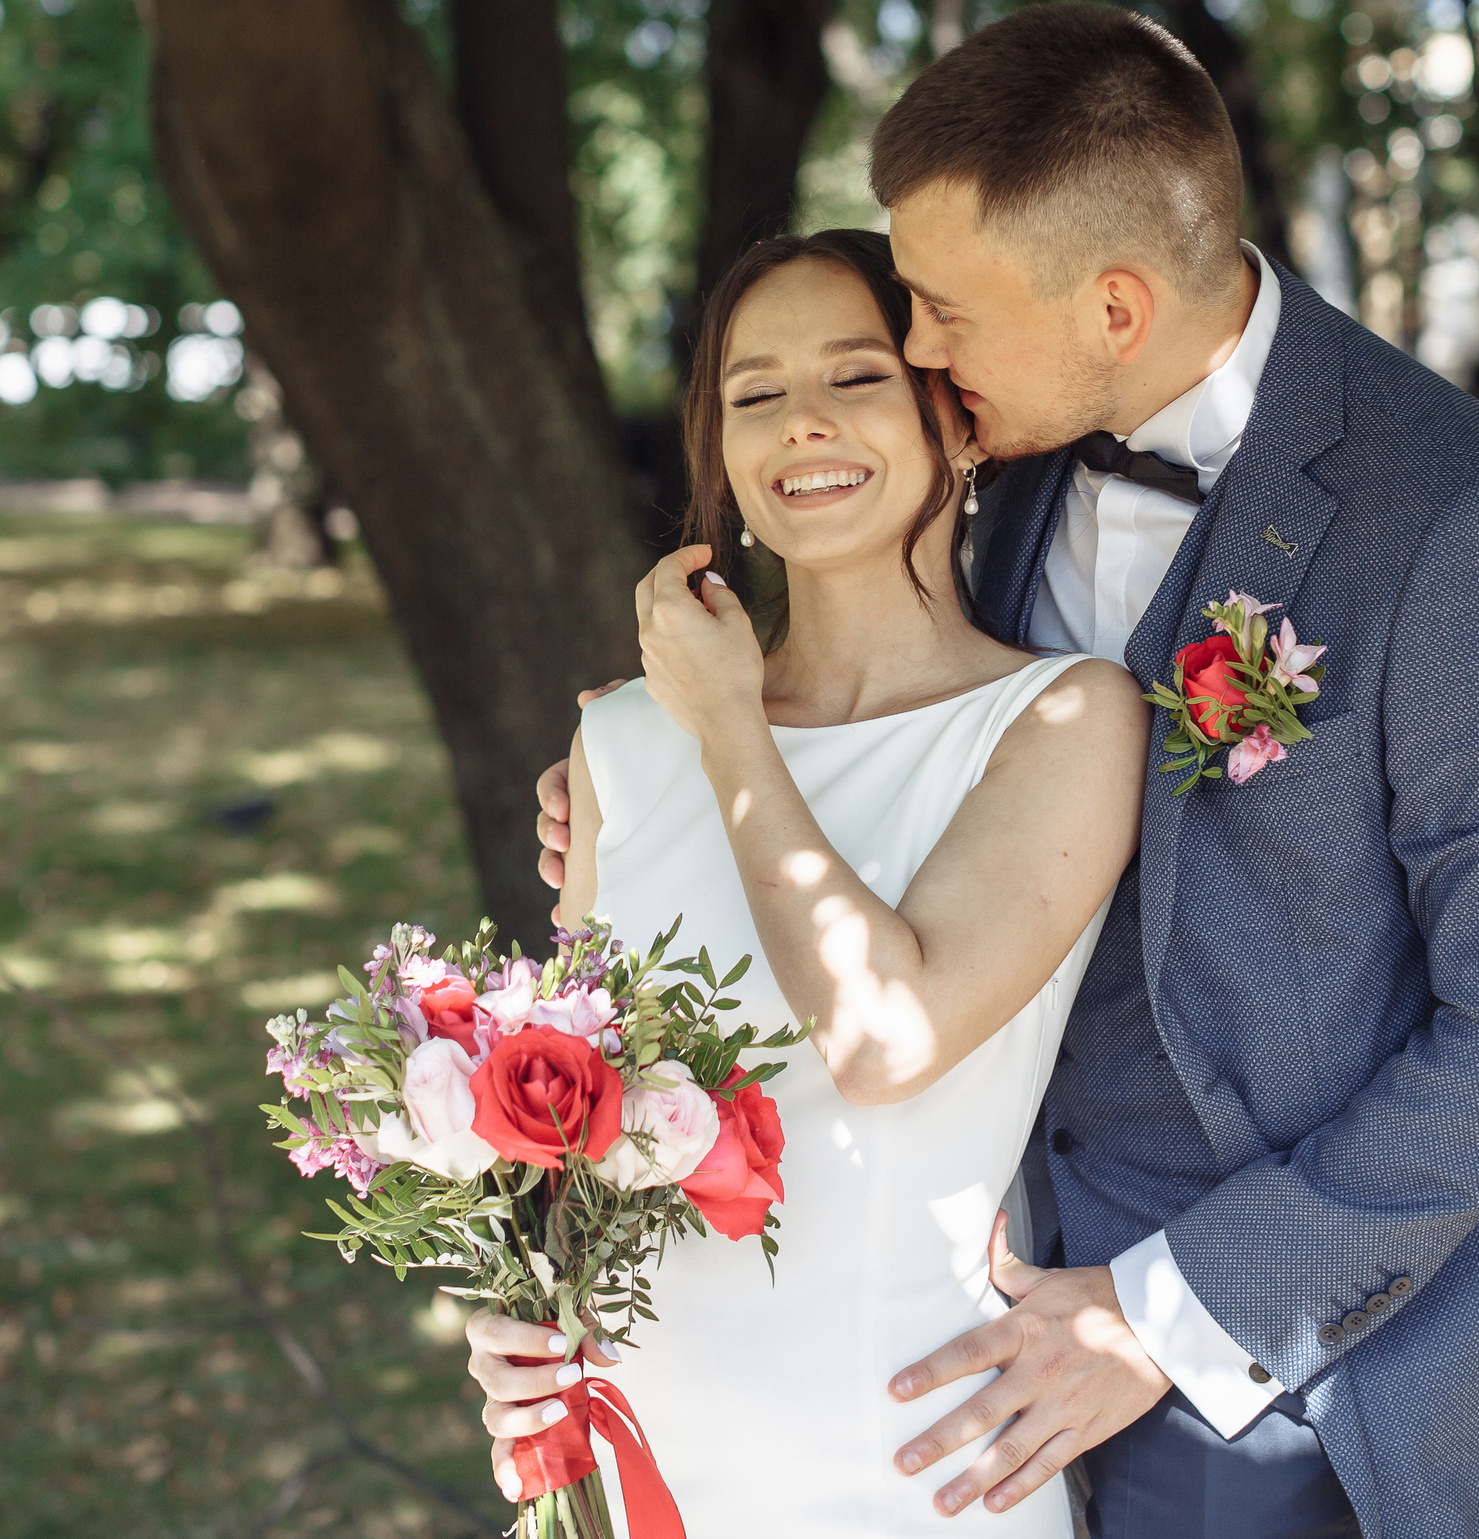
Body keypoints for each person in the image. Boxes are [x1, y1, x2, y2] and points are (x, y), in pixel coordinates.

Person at [536, 4, 1479, 1539]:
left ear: (1118, 309)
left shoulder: (1463, 529)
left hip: (1301, 1366)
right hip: (947, 1305)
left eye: (942, 311)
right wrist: (658, 788)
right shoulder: (1008, 442)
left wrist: (1160, 1318)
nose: (918, 349)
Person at [466, 228, 1149, 1534]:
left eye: (857, 376)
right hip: (643, 1461)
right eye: (756, 394)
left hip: (907, 1466)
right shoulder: (622, 742)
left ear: (959, 420)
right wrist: (521, 1321)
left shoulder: (1063, 723)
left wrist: (730, 726)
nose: (803, 424)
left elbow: (883, 1042)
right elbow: (571, 1123)